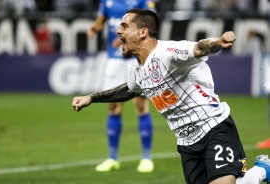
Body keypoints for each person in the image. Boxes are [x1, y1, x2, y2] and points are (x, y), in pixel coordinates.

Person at [73, 9, 270, 183]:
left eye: (124, 26)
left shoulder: (168, 53)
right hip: (186, 142)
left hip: (213, 127)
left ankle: (260, 172)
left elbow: (199, 47)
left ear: (143, 32)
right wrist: (92, 98)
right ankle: (262, 170)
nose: (118, 31)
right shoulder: (137, 69)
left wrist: (217, 42)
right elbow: (129, 90)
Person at [86, 0, 156, 173]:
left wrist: (127, 38)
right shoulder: (106, 1)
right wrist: (94, 28)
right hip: (114, 61)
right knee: (113, 105)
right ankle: (112, 158)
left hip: (135, 58)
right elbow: (101, 21)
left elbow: (150, 25)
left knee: (140, 105)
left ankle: (146, 158)